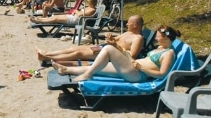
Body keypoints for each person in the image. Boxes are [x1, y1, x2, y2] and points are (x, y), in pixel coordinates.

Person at [51, 27, 179, 83]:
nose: (156, 39)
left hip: (138, 74)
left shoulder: (169, 53)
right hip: (132, 67)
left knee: (107, 49)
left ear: (167, 38)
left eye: (158, 37)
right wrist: (117, 46)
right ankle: (66, 69)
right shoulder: (162, 47)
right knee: (97, 68)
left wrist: (142, 68)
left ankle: (87, 75)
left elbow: (163, 75)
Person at [37, 14, 146, 65]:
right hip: (105, 48)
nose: (126, 24)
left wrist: (114, 45)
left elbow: (132, 56)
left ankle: (47, 58)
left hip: (112, 55)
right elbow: (117, 39)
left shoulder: (138, 38)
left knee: (78, 53)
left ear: (135, 25)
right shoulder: (128, 32)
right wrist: (110, 37)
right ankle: (48, 53)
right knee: (75, 48)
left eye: (129, 23)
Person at [28, 0, 97, 27]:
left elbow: (80, 15)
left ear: (91, 2)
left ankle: (39, 21)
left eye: (88, 0)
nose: (87, 1)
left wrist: (76, 11)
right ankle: (40, 19)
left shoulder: (92, 10)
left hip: (76, 20)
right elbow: (80, 13)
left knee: (55, 19)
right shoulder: (89, 7)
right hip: (73, 17)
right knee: (55, 16)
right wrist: (76, 12)